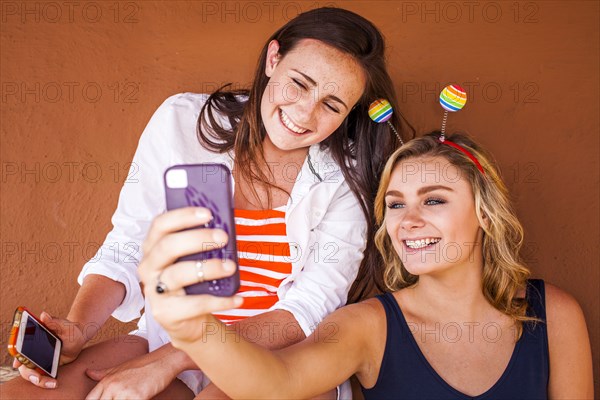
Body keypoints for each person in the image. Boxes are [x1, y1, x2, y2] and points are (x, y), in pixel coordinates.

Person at [2, 7, 412, 400]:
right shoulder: (182, 123)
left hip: (273, 359)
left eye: (332, 105)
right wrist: (78, 327)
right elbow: (128, 242)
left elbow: (304, 312)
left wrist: (172, 359)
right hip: (167, 337)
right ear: (273, 58)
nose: (305, 114)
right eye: (299, 83)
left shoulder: (348, 177)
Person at [141, 132, 594, 399]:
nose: (409, 221)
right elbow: (276, 382)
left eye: (433, 199)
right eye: (395, 205)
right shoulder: (366, 326)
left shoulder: (552, 314)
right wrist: (192, 328)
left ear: (484, 211)